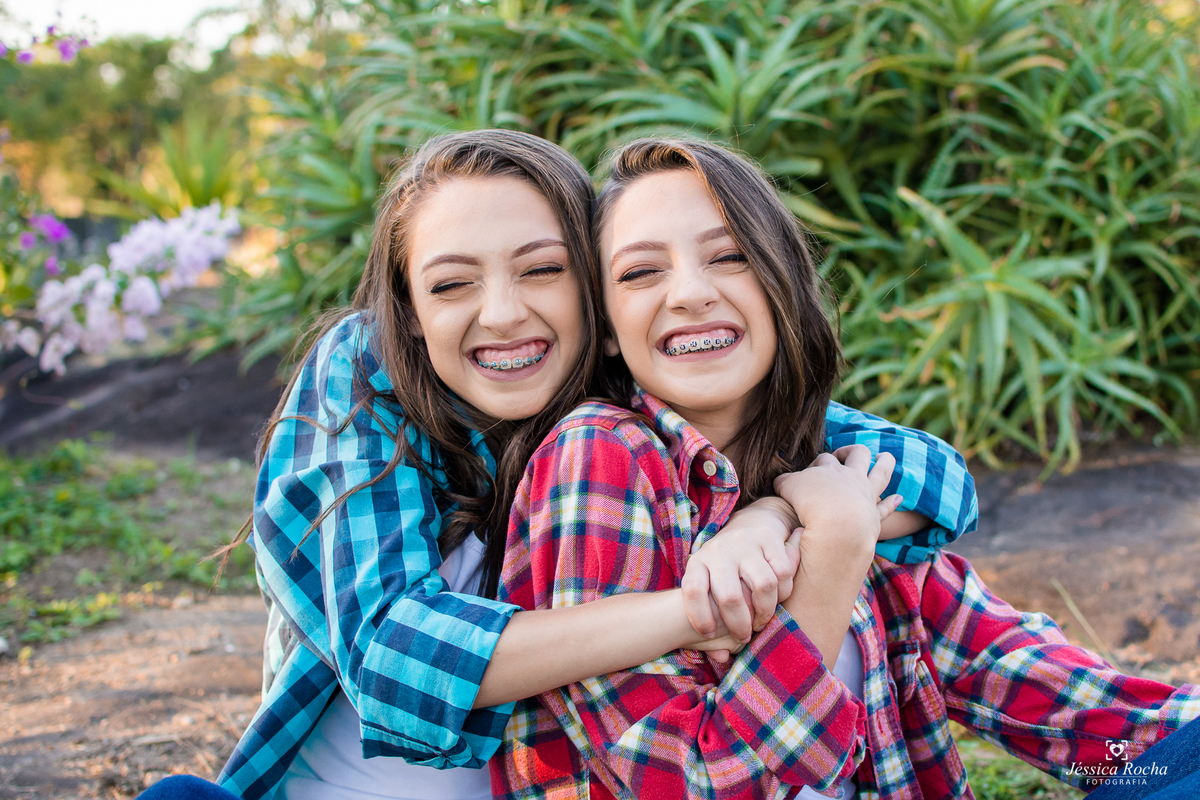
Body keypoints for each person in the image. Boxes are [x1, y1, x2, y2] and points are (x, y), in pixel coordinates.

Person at [140, 130, 976, 800]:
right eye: (451, 285)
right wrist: (694, 608)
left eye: (543, 270)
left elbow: (929, 473)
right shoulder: (367, 375)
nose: (504, 314)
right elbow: (394, 656)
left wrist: (775, 513)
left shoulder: (630, 389)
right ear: (408, 309)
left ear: (596, 292)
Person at [493, 137, 1200, 800]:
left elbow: (1055, 708)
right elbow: (686, 785)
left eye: (730, 256)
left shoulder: (827, 476)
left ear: (781, 284)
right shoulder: (602, 454)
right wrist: (830, 555)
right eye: (641, 272)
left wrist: (786, 516)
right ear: (607, 330)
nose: (689, 293)